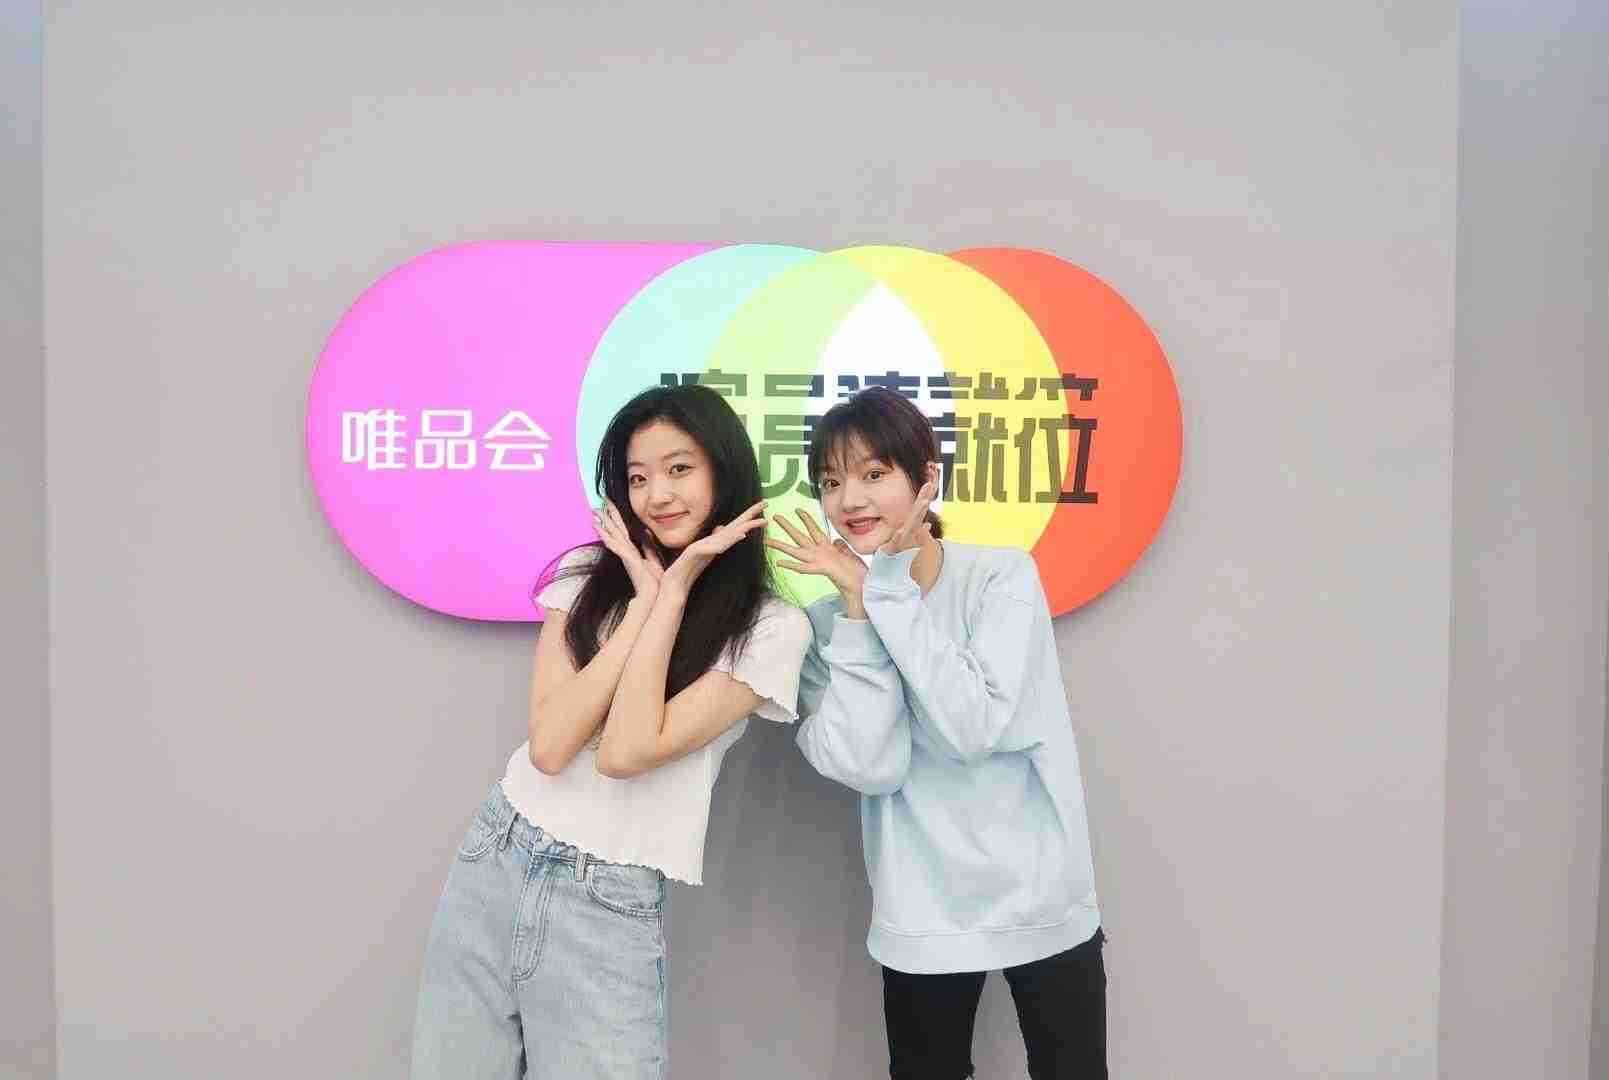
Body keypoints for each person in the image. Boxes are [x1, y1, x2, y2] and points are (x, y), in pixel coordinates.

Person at [411, 383, 812, 1079]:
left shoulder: (770, 630)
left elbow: (626, 752)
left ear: (724, 470)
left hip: (607, 894)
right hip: (497, 854)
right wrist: (644, 598)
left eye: (679, 469)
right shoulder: (583, 578)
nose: (658, 494)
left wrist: (673, 594)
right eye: (638, 477)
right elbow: (550, 748)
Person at [769, 386, 1107, 1080]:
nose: (849, 500)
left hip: (1040, 894)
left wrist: (887, 591)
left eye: (873, 474)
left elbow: (972, 728)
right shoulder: (830, 625)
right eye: (830, 483)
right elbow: (874, 766)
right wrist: (860, 609)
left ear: (926, 478)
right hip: (919, 911)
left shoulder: (1001, 578)